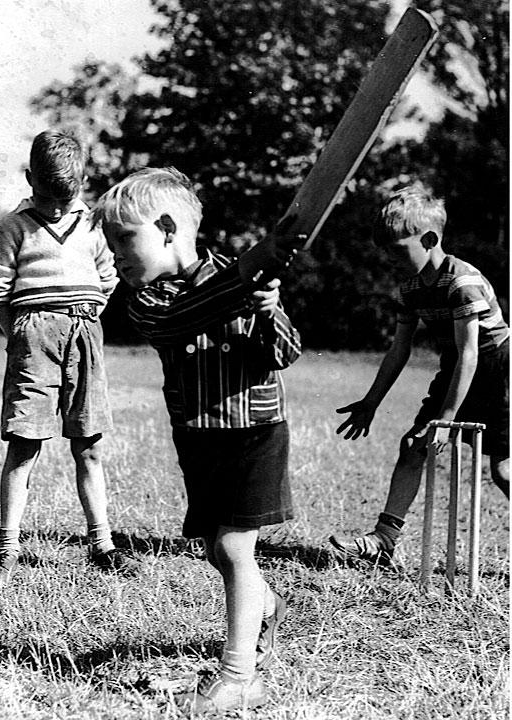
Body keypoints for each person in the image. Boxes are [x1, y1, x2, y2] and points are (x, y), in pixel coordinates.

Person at [90, 167, 302, 713]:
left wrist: (266, 311)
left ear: (164, 227)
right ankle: (264, 608)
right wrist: (253, 275)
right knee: (215, 549)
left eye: (122, 241)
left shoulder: (240, 277)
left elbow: (284, 352)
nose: (115, 255)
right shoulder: (147, 302)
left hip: (255, 433)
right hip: (198, 439)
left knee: (234, 547)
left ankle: (239, 677)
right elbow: (185, 316)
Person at [0, 129, 139, 576]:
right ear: (30, 178)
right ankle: (6, 548)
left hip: (85, 331)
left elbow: (107, 277)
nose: (55, 207)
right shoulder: (10, 228)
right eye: (47, 196)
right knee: (25, 444)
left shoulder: (93, 225)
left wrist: (86, 316)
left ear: (83, 183)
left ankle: (102, 544)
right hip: (33, 336)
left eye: (64, 199)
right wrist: (18, 335)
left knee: (88, 445)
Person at [332, 185, 509, 565]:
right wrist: (371, 402)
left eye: (398, 252)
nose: (390, 261)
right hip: (458, 367)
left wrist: (447, 420)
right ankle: (383, 540)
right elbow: (400, 348)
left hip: (499, 367)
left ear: (429, 240)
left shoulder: (461, 282)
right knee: (415, 444)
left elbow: (470, 351)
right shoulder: (410, 287)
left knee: (505, 471)